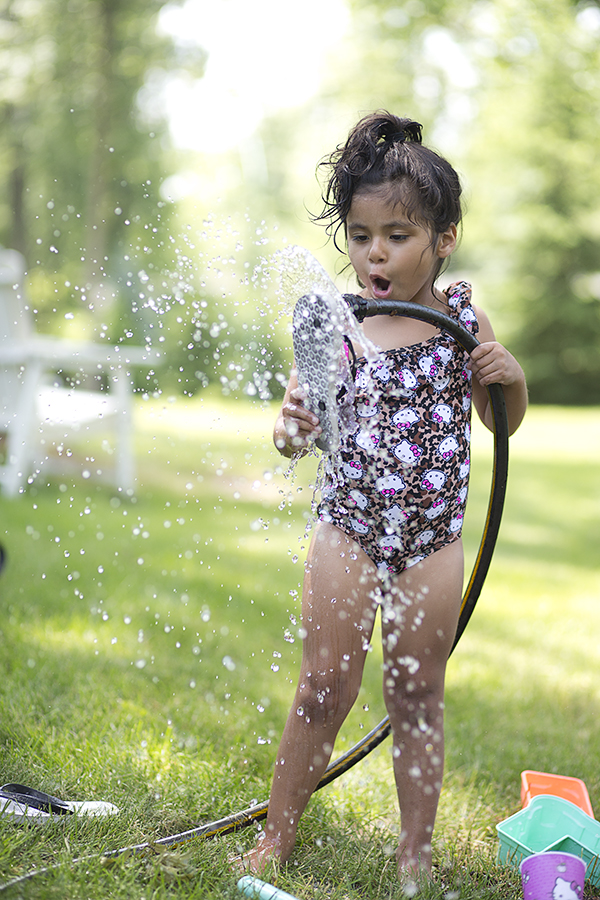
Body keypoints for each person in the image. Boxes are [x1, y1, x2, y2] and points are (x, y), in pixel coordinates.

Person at [237, 111, 528, 884]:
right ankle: (275, 839)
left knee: (418, 693)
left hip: (431, 540)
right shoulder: (338, 325)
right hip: (350, 527)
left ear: (443, 238)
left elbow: (500, 422)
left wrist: (510, 379)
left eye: (397, 235)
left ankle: (414, 854)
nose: (375, 252)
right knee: (322, 686)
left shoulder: (461, 319)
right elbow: (294, 436)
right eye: (362, 235)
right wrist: (292, 426)